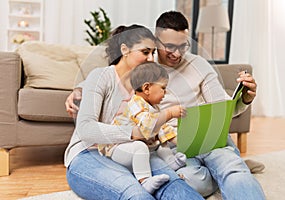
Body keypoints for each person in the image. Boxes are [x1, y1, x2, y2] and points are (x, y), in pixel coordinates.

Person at [66, 12, 265, 199]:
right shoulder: (142, 71)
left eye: (183, 46)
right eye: (168, 46)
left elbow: (221, 107)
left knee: (228, 169)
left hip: (194, 138)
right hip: (163, 145)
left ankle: (230, 169)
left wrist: (244, 99)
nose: (176, 54)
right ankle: (219, 173)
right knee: (179, 184)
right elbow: (107, 79)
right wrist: (80, 90)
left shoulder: (194, 66)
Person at [64, 24, 204, 200]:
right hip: (89, 153)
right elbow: (86, 129)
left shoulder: (147, 86)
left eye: (153, 53)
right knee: (135, 193)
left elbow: (156, 121)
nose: (151, 58)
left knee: (173, 184)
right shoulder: (102, 77)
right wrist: (134, 133)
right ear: (125, 50)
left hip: (137, 153)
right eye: (145, 52)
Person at [99, 62, 187, 194]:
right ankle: (145, 181)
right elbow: (148, 125)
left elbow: (163, 128)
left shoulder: (154, 107)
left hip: (132, 146)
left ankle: (171, 162)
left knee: (161, 144)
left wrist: (182, 141)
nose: (165, 92)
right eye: (163, 88)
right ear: (146, 88)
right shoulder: (135, 103)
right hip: (116, 148)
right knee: (141, 148)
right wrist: (169, 113)